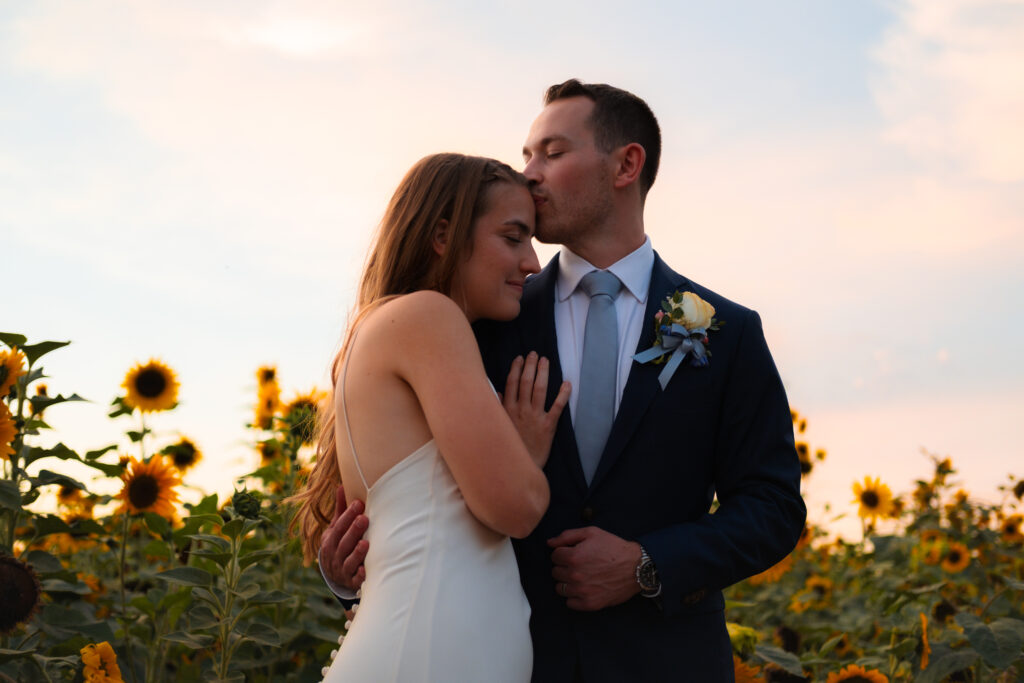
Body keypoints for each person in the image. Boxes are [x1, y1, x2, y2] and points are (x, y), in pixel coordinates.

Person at [320, 80, 807, 682]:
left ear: (626, 164)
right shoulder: (480, 315)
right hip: (511, 660)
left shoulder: (727, 332)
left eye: (550, 153)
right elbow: (403, 478)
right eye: (525, 155)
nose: (529, 174)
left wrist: (646, 564)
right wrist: (351, 575)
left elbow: (773, 506)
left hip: (668, 663)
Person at [290, 153, 571, 681]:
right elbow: (519, 508)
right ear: (443, 236)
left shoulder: (394, 325)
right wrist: (526, 454)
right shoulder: (428, 316)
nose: (532, 263)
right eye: (512, 238)